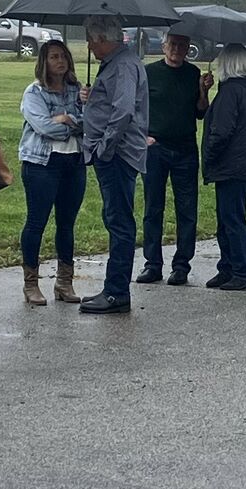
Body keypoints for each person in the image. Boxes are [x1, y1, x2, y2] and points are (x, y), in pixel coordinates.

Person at [80, 17, 150, 312]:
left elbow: (122, 111)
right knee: (115, 218)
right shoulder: (117, 63)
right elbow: (112, 103)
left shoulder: (122, 65)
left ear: (102, 39)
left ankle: (116, 292)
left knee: (119, 221)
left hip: (118, 154)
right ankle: (114, 288)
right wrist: (91, 98)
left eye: (91, 39)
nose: (89, 45)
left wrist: (104, 148)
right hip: (115, 153)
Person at [17, 38, 85, 306]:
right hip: (41, 164)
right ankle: (31, 283)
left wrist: (69, 118)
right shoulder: (34, 93)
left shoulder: (77, 90)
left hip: (73, 163)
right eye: (54, 57)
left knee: (66, 224)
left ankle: (64, 282)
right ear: (43, 62)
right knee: (37, 222)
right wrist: (71, 122)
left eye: (63, 56)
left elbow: (90, 123)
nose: (60, 61)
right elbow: (44, 127)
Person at [139, 30, 209, 288]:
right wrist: (142, 136)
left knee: (187, 209)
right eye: (173, 44)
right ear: (164, 46)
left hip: (185, 148)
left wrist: (203, 91)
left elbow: (201, 112)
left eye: (182, 45)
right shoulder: (148, 73)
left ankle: (181, 266)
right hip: (156, 146)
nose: (177, 49)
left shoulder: (193, 74)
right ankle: (152, 264)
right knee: (153, 207)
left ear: (188, 48)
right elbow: (137, 106)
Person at [201, 45, 246, 289]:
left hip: (231, 162)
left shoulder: (231, 91)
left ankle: (240, 271)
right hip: (241, 162)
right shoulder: (244, 90)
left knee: (232, 219)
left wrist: (210, 154)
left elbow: (222, 130)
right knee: (227, 218)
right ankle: (227, 266)